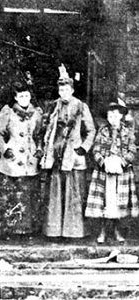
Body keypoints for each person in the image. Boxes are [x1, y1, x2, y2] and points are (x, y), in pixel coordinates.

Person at [40, 68, 96, 239]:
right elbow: (46, 128)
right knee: (56, 193)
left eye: (66, 89)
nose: (63, 92)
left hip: (73, 156)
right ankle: (54, 231)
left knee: (74, 194)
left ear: (72, 90)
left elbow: (91, 130)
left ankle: (73, 232)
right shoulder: (53, 106)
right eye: (61, 90)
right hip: (56, 155)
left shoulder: (80, 106)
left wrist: (84, 148)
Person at [0, 81, 43, 239]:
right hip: (12, 159)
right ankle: (9, 231)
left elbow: (39, 134)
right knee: (12, 194)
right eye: (21, 96)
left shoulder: (37, 113)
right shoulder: (7, 112)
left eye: (27, 95)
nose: (24, 99)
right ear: (15, 97)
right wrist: (5, 149)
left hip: (30, 158)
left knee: (29, 194)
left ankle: (28, 231)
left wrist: (39, 148)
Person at [85, 100, 138, 244]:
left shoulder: (127, 132)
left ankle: (117, 231)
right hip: (104, 172)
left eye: (116, 114)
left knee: (117, 203)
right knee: (105, 202)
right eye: (110, 114)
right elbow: (95, 150)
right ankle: (102, 231)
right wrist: (103, 162)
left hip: (122, 172)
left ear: (121, 116)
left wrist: (122, 162)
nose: (113, 117)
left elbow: (132, 150)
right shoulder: (103, 131)